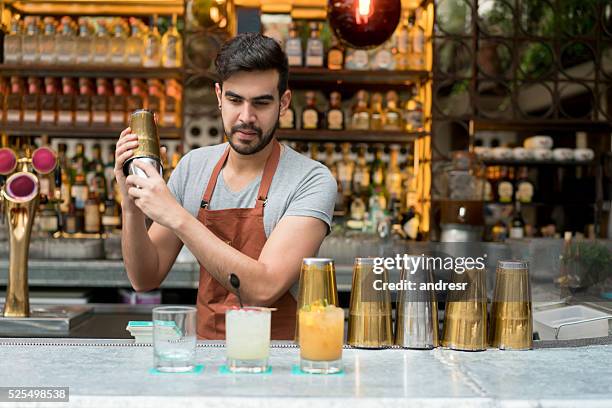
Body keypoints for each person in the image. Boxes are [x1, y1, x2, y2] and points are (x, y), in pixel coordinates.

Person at [114, 33, 337, 340]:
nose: (246, 117)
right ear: (218, 95)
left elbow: (264, 288)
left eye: (261, 102)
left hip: (279, 366)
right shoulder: (194, 168)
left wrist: (177, 217)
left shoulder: (310, 179)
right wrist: (129, 205)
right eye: (235, 100)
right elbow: (144, 277)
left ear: (283, 103)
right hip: (206, 362)